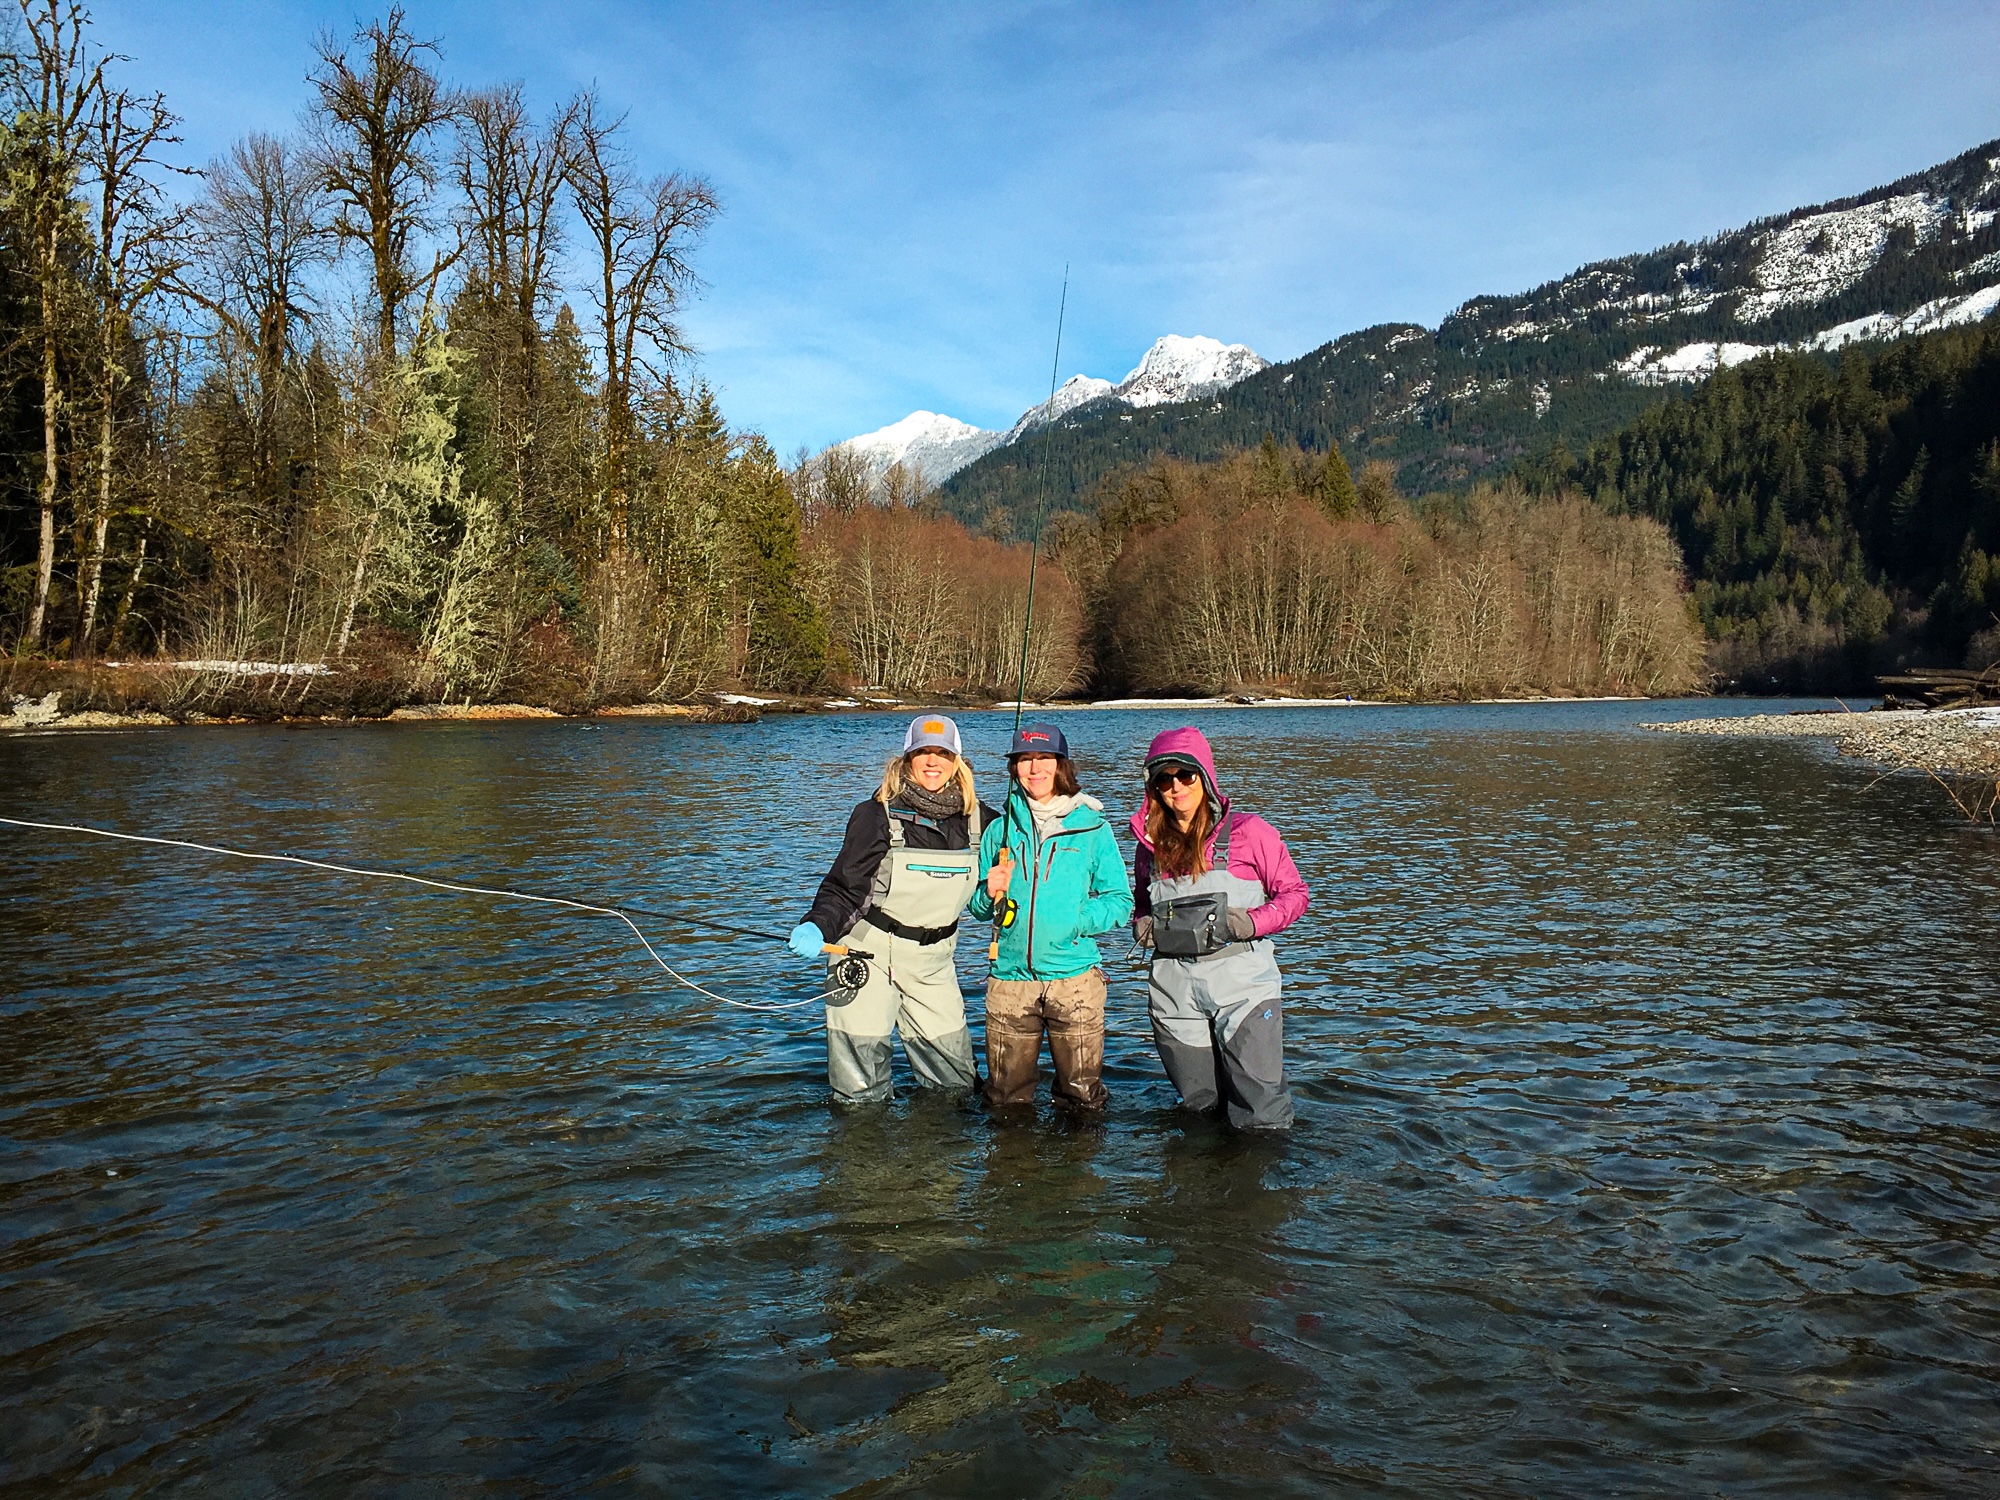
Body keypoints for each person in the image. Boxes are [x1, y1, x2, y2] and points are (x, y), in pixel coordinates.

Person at [789, 716, 998, 1104]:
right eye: (922, 752)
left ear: (957, 761)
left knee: (955, 1084)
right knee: (859, 1088)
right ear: (906, 759)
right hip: (865, 954)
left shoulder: (983, 821)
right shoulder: (874, 815)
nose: (932, 761)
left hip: (935, 962)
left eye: (942, 753)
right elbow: (845, 888)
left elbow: (988, 899)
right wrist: (818, 926)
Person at [1130, 726, 1309, 1130]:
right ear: (1154, 788)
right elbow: (1141, 902)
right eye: (1164, 779)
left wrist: (1252, 921)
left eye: (1185, 775)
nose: (1176, 787)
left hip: (1244, 987)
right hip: (1174, 991)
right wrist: (1141, 924)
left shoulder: (1251, 832)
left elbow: (1295, 894)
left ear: (1206, 777)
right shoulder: (1148, 846)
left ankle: (1262, 1168)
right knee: (1199, 1109)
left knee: (1261, 1112)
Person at [968, 723, 1132, 1111]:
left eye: (1044, 758)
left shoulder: (1093, 827)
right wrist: (987, 892)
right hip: (1009, 983)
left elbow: (1120, 901)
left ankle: (1080, 1151)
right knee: (1004, 1099)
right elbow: (977, 909)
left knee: (1083, 1100)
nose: (1035, 768)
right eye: (1025, 759)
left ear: (1061, 766)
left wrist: (1077, 920)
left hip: (1075, 982)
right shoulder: (998, 830)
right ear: (1014, 768)